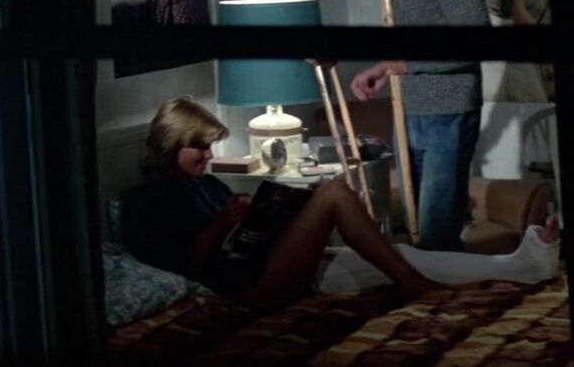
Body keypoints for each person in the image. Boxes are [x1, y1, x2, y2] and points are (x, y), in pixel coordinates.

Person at [120, 96, 559, 303]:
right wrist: (223, 222)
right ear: (171, 142)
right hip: (247, 288)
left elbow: (241, 234)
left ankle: (520, 265)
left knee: (400, 253)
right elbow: (184, 263)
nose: (208, 156)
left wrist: (274, 212)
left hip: (269, 259)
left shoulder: (204, 183)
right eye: (199, 147)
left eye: (210, 146)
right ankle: (415, 287)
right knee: (333, 193)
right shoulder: (147, 202)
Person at [350, 0, 490, 251]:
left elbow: (475, 42)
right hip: (410, 107)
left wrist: (406, 65)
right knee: (413, 228)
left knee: (435, 233)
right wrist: (384, 68)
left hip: (447, 110)